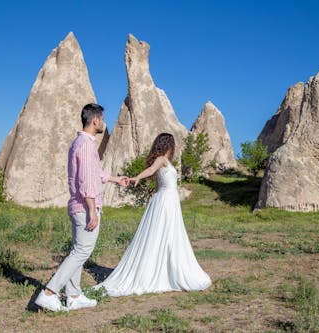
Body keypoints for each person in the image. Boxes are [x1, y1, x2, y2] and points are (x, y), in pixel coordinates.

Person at [35, 103, 129, 311]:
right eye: (102, 119)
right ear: (95, 120)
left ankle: (74, 295)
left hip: (78, 205)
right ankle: (49, 292)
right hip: (85, 206)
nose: (103, 123)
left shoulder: (79, 143)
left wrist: (115, 179)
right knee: (81, 252)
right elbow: (87, 180)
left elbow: (94, 174)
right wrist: (91, 209)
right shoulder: (86, 145)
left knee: (78, 250)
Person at [94, 133, 211, 296]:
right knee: (161, 234)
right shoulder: (162, 160)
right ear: (169, 145)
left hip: (169, 201)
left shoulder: (167, 162)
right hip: (166, 201)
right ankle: (158, 272)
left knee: (170, 235)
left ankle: (167, 270)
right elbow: (150, 170)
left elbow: (158, 185)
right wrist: (137, 178)